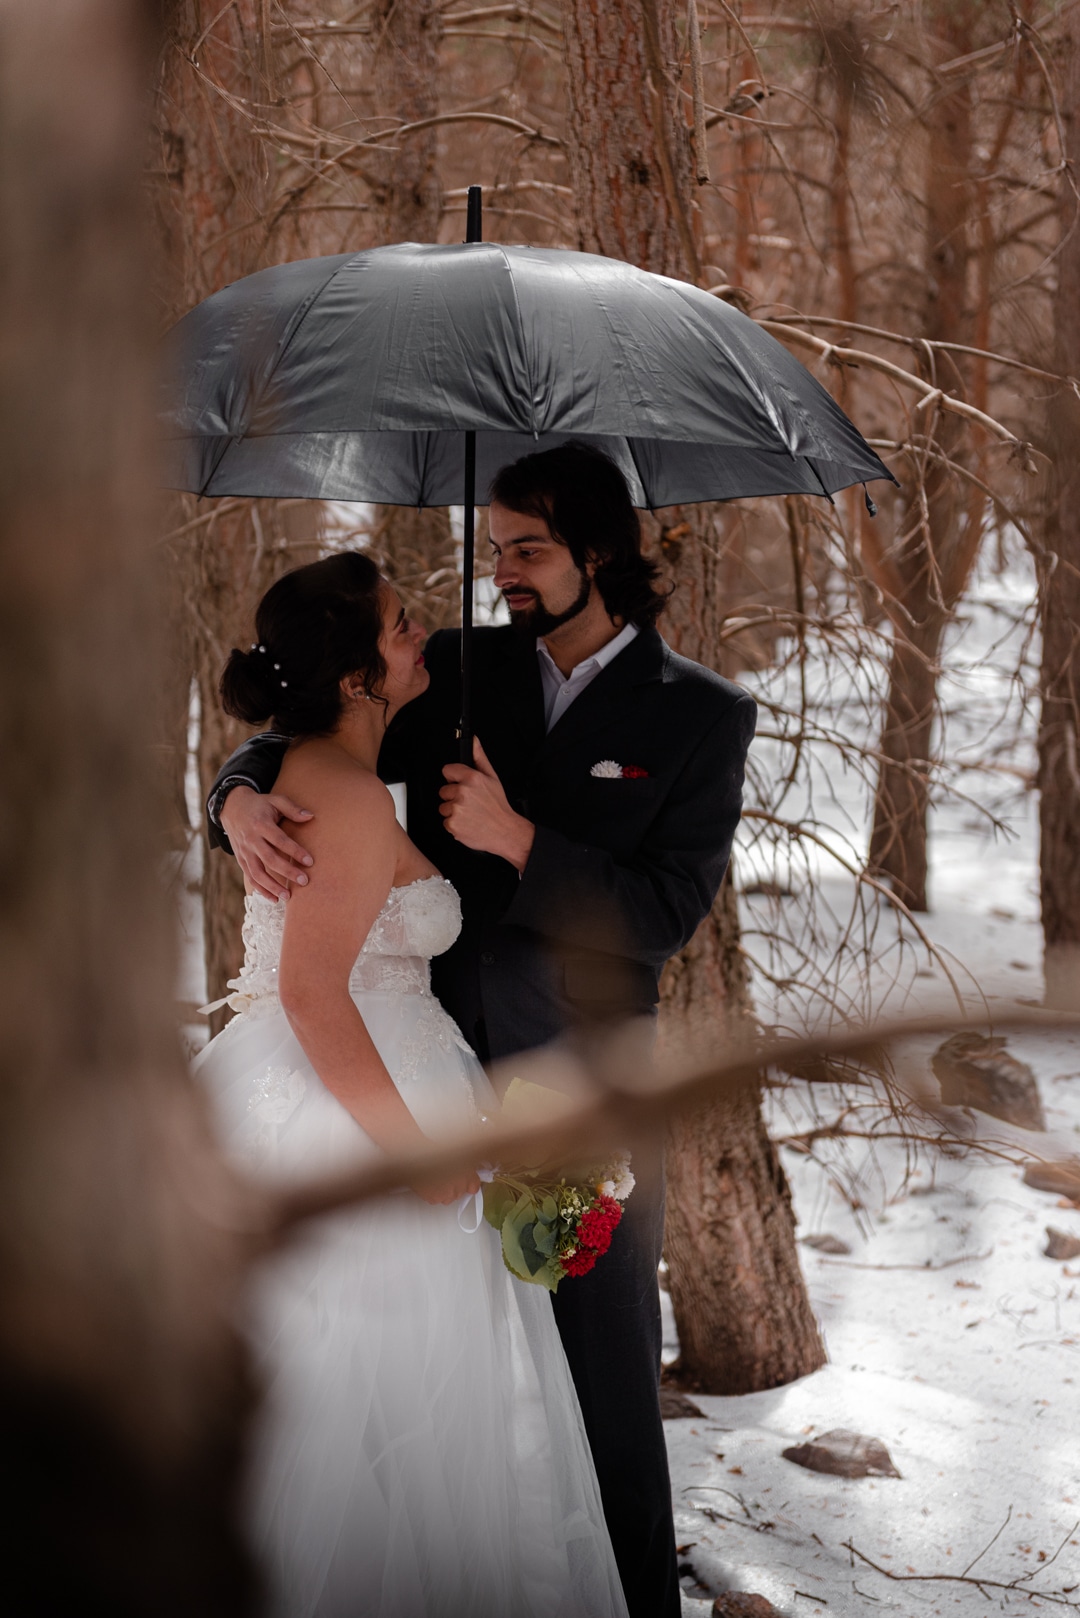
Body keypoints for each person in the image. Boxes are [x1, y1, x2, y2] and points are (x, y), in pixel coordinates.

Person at [210, 443, 757, 1618]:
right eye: (496, 545)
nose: (501, 569)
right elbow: (309, 728)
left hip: (584, 1094)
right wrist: (236, 797)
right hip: (427, 1077)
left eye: (529, 549)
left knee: (603, 1388)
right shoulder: (453, 669)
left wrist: (520, 842)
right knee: (409, 1381)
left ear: (598, 553)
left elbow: (665, 914)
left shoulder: (702, 714)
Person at [194, 550, 629, 1618]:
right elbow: (313, 994)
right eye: (398, 625)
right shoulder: (339, 793)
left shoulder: (339, 766)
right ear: (354, 676)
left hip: (381, 1082)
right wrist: (418, 1155)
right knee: (348, 1398)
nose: (420, 632)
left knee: (389, 1410)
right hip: (353, 1113)